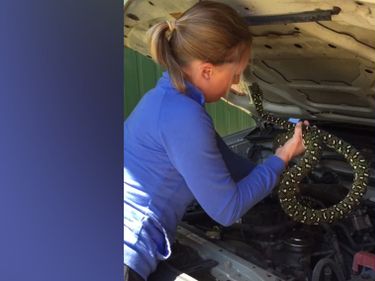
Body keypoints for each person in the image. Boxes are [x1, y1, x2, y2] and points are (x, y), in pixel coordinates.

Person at [123, 2, 307, 280]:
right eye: (235, 75)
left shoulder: (167, 99)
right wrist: (280, 159)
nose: (235, 85)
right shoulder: (184, 117)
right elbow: (227, 210)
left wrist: (286, 176)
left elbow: (230, 163)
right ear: (207, 71)